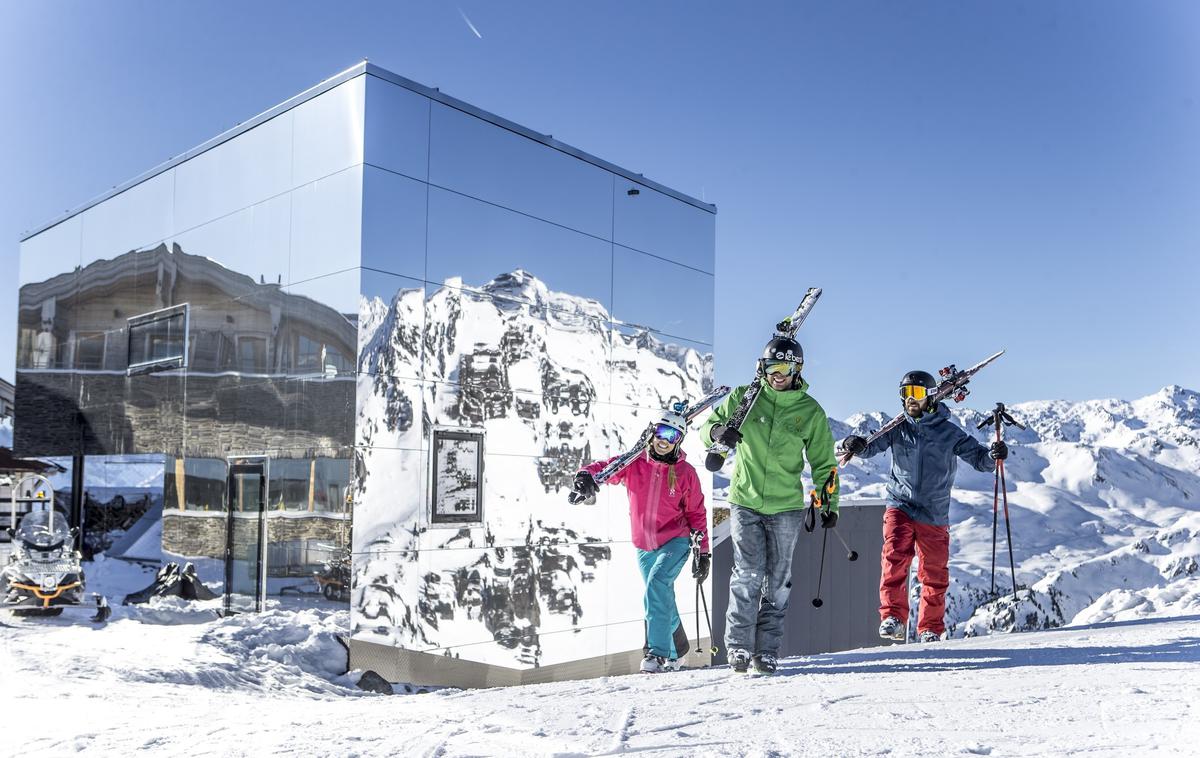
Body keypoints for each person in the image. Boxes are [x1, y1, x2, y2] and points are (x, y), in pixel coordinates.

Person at [701, 336, 839, 675]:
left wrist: (829, 502)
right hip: (745, 500)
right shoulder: (743, 400)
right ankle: (738, 648)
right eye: (771, 367)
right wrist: (720, 432)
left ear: (797, 370)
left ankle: (766, 651)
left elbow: (824, 462)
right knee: (747, 575)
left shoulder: (809, 410)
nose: (777, 374)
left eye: (785, 368)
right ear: (761, 368)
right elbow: (707, 428)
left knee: (777, 581)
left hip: (786, 507)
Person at [841, 369, 1008, 643]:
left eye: (916, 393)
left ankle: (930, 628)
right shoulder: (897, 429)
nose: (910, 399)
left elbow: (980, 460)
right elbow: (870, 447)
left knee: (933, 572)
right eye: (905, 393)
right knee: (894, 557)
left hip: (934, 510)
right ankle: (893, 618)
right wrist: (854, 444)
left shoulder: (948, 432)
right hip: (901, 504)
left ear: (930, 396)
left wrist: (993, 455)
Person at [572, 406, 711, 674]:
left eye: (672, 435)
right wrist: (586, 475)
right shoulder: (634, 462)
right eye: (660, 432)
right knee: (659, 594)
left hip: (676, 540)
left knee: (657, 584)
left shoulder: (686, 473)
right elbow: (605, 468)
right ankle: (677, 652)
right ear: (651, 432)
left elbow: (697, 513)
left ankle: (656, 654)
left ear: (678, 440)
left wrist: (703, 553)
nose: (664, 439)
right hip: (644, 546)